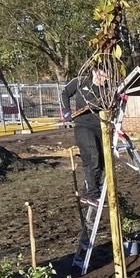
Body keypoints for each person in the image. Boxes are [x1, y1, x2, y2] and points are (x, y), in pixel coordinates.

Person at [60, 65, 109, 207]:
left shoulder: (107, 90)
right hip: (83, 126)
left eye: (106, 77)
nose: (103, 79)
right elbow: (64, 93)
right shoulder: (80, 82)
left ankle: (89, 191)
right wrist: (66, 111)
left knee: (101, 161)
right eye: (101, 75)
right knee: (92, 156)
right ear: (94, 72)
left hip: (100, 127)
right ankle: (92, 194)